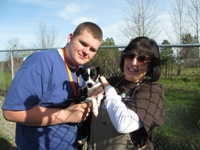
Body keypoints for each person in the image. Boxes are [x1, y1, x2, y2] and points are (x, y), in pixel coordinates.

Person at [2, 21, 103, 150]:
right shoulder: (41, 63)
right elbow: (11, 112)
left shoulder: (82, 72)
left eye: (92, 49)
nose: (86, 51)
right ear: (70, 38)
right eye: (83, 43)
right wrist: (67, 115)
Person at [90, 36, 165, 150]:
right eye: (129, 56)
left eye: (142, 59)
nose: (133, 63)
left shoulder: (152, 90)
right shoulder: (114, 81)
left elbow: (123, 124)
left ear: (150, 66)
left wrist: (108, 89)